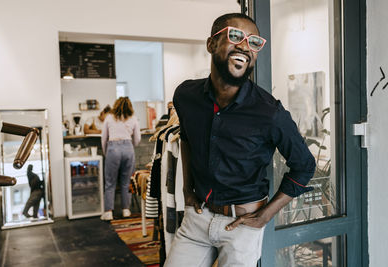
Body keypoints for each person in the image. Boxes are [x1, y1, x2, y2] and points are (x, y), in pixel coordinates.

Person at [164, 13, 316, 266]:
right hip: (197, 219)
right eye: (235, 36)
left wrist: (265, 216)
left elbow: (305, 166)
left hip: (242, 226)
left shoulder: (270, 112)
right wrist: (187, 189)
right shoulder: (185, 95)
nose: (245, 46)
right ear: (211, 44)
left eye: (254, 42)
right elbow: (187, 139)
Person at [100, 97, 141, 220]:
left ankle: (108, 212)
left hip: (113, 149)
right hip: (128, 148)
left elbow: (103, 138)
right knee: (126, 182)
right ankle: (126, 210)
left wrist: (106, 152)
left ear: (116, 105)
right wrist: (129, 146)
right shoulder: (133, 119)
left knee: (110, 182)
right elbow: (138, 139)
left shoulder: (109, 118)